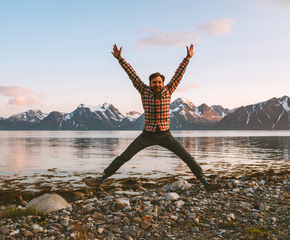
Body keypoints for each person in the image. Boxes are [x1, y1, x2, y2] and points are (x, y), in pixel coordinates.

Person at [85, 44, 222, 192]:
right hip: (147, 135)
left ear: (163, 83)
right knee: (124, 157)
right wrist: (120, 59)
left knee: (188, 158)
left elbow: (179, 74)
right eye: (154, 82)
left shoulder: (168, 90)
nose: (157, 84)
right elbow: (132, 74)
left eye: (159, 82)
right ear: (150, 84)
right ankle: (99, 180)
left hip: (165, 135)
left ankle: (207, 185)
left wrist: (187, 58)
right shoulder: (144, 91)